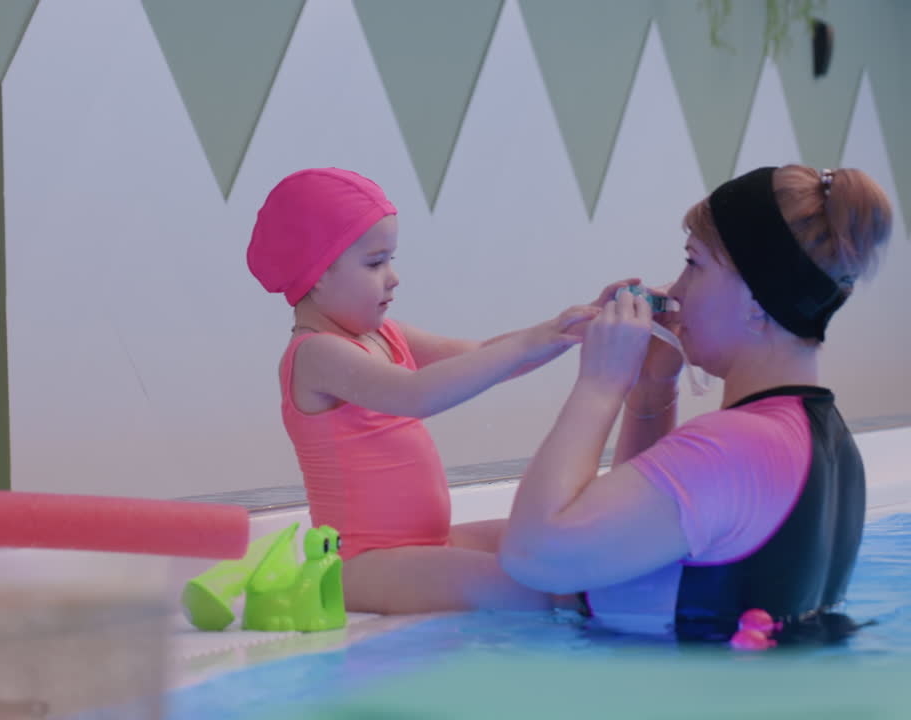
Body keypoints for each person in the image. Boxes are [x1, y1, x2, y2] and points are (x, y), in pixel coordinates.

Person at [499, 165, 892, 641]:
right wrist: (652, 388)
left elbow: (534, 557)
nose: (678, 290)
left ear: (755, 298)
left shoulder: (737, 444)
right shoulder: (828, 442)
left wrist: (600, 383)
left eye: (694, 263)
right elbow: (628, 535)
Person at [247, 167, 626, 613]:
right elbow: (415, 394)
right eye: (375, 262)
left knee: (555, 544)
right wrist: (528, 343)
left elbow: (483, 355)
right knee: (539, 590)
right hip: (365, 563)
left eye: (391, 259)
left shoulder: (387, 336)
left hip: (431, 543)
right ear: (317, 274)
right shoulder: (316, 356)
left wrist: (569, 329)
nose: (393, 277)